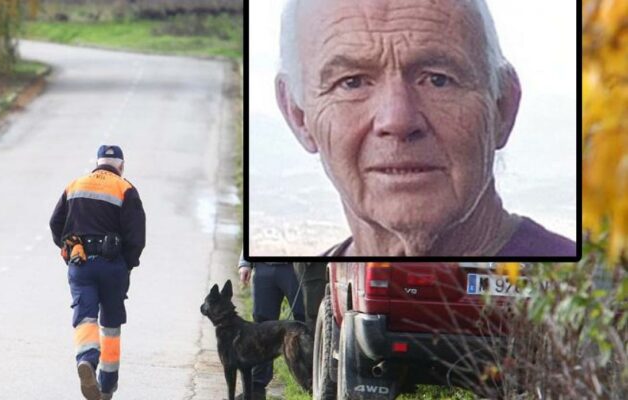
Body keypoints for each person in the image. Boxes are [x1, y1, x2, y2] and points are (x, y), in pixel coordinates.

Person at [275, 0, 576, 257]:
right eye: (352, 82)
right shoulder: (317, 292)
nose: (397, 120)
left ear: (503, 107)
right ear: (298, 114)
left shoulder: (606, 298)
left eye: (438, 79)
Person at [49, 145, 146, 400]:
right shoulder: (125, 189)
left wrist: (68, 250)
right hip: (113, 266)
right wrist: (128, 264)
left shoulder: (75, 185)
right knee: (111, 325)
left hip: (80, 264)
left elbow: (55, 223)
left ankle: (87, 360)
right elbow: (137, 236)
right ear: (121, 166)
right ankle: (106, 385)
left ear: (96, 162)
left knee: (85, 316)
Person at [236, 251, 303, 400]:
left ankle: (308, 385)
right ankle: (257, 389)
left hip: (294, 268)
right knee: (261, 328)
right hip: (263, 268)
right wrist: (245, 263)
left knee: (303, 323)